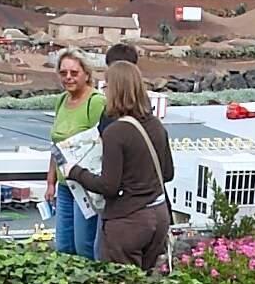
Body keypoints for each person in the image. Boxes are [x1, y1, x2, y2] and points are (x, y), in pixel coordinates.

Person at [60, 60, 179, 269]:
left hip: (128, 222)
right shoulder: (155, 125)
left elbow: (109, 186)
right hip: (158, 217)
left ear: (114, 90)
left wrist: (75, 171)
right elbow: (167, 173)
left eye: (105, 87)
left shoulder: (116, 132)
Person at [43, 49, 100, 254]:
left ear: (86, 74)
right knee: (63, 246)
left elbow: (101, 145)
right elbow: (56, 144)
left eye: (74, 73)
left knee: (83, 245)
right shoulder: (61, 101)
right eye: (63, 73)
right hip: (64, 184)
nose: (68, 77)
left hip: (84, 185)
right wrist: (50, 182)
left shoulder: (96, 102)